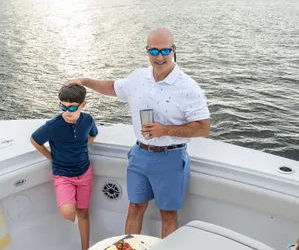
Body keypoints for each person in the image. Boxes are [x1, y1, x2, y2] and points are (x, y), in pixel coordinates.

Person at [67, 27, 211, 237]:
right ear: (147, 51)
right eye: (153, 51)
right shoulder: (138, 77)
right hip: (140, 155)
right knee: (135, 207)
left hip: (170, 158)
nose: (159, 57)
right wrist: (85, 82)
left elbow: (203, 127)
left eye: (164, 51)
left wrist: (166, 129)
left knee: (168, 214)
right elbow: (112, 88)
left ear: (174, 49)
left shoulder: (188, 87)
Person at [30, 84, 98, 250]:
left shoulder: (88, 120)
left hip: (84, 172)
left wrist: (81, 147)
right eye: (63, 106)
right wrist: (50, 157)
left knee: (83, 212)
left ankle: (85, 249)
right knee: (68, 212)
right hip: (63, 174)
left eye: (72, 107)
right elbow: (35, 140)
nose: (67, 111)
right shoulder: (53, 125)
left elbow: (92, 135)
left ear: (83, 105)